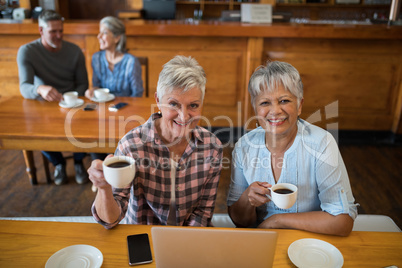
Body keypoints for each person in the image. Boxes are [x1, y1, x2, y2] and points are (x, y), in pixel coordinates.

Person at [88, 55, 223, 228]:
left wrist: (185, 243)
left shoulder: (212, 148)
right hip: (142, 237)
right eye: (174, 104)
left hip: (189, 238)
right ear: (158, 100)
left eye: (193, 105)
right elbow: (110, 220)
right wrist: (104, 188)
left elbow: (203, 213)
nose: (184, 115)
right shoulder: (131, 146)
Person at [227, 61, 358, 236]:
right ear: (255, 109)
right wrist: (247, 199)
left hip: (310, 240)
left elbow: (342, 221)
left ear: (300, 105)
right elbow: (239, 221)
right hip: (260, 243)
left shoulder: (321, 143)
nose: (275, 111)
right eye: (265, 103)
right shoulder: (244, 146)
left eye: (284, 100)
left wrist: (276, 221)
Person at [16, 10, 89, 185]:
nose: (58, 35)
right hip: (45, 106)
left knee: (86, 127)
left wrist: (70, 99)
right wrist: (39, 88)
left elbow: (83, 84)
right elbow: (24, 87)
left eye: (61, 31)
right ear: (41, 31)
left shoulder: (75, 51)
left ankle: (79, 162)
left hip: (73, 104)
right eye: (53, 32)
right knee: (36, 133)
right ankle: (58, 163)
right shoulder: (27, 51)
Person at [84, 16, 143, 99]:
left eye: (104, 33)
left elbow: (137, 95)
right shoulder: (96, 58)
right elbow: (97, 87)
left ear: (117, 38)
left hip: (126, 108)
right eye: (99, 32)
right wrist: (92, 91)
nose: (98, 36)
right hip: (104, 107)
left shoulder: (131, 62)